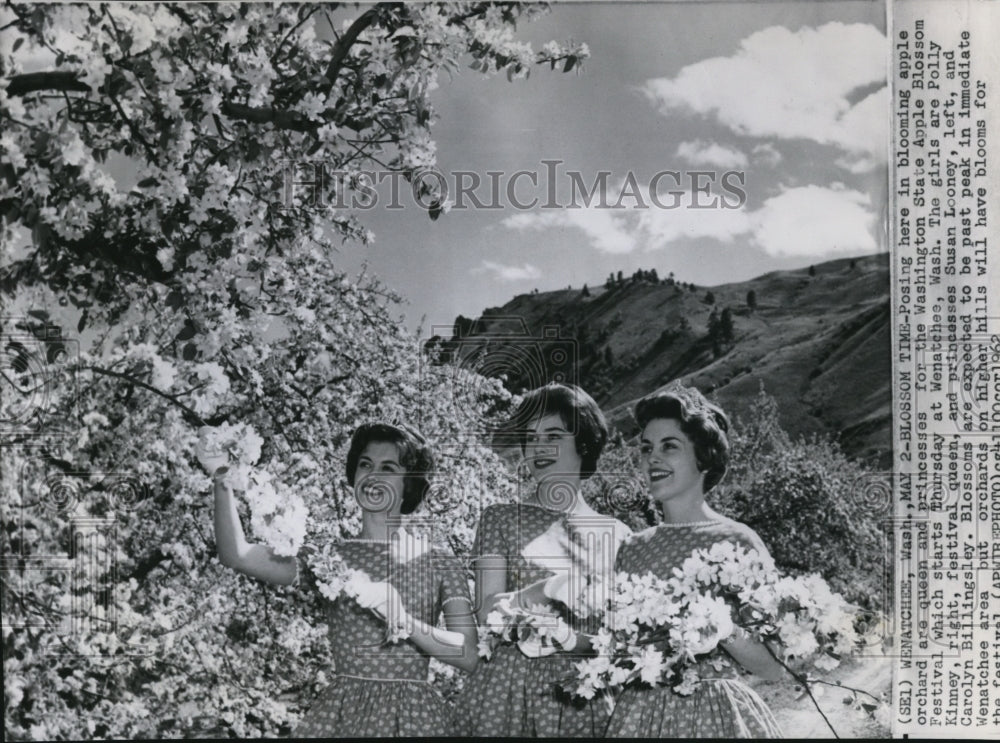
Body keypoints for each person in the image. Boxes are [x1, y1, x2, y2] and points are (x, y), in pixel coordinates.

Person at [201, 422, 478, 737]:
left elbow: (469, 654)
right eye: (365, 464)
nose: (373, 476)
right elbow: (236, 554)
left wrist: (402, 619)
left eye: (388, 468)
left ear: (409, 484)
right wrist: (222, 477)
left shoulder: (438, 562)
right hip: (344, 717)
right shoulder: (328, 558)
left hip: (415, 719)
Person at [604, 385, 784, 738]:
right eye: (646, 448)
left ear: (703, 456)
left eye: (669, 446)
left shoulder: (737, 540)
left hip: (716, 718)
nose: (652, 458)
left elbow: (774, 665)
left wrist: (724, 630)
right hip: (640, 718)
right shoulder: (632, 548)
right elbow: (618, 652)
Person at [454, 383, 631, 737]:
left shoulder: (619, 534)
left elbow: (619, 640)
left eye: (553, 434)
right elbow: (487, 613)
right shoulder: (500, 518)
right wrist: (547, 589)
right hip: (506, 695)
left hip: (586, 698)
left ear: (584, 443)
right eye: (531, 437)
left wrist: (569, 639)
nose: (539, 447)